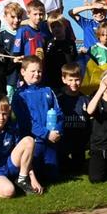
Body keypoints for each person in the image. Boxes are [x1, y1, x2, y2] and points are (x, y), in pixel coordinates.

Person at [0, 94, 41, 198]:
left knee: (29, 140)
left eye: (4, 114)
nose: (1, 117)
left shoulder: (11, 126)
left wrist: (33, 179)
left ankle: (22, 179)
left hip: (9, 164)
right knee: (9, 191)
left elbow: (25, 155)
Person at [12, 54, 63, 184]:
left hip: (50, 142)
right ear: (23, 72)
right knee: (37, 175)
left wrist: (56, 131)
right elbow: (26, 122)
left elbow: (59, 113)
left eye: (39, 71)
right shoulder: (19, 95)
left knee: (54, 178)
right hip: (34, 142)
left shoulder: (48, 90)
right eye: (33, 71)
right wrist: (46, 134)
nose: (37, 74)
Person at [56, 62, 90, 175]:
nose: (74, 83)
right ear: (64, 79)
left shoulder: (85, 98)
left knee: (78, 168)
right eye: (70, 80)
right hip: (64, 138)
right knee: (62, 168)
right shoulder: (59, 98)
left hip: (79, 139)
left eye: (77, 80)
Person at [41, 15, 78, 90]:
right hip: (52, 79)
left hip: (67, 79)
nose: (56, 29)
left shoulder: (70, 43)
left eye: (59, 26)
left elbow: (73, 60)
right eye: (53, 27)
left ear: (64, 26)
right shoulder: (49, 43)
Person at [0, 2, 24, 97]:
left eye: (19, 17)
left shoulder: (24, 32)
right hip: (8, 78)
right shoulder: (1, 34)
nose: (16, 20)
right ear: (5, 17)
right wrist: (12, 60)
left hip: (23, 77)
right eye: (13, 17)